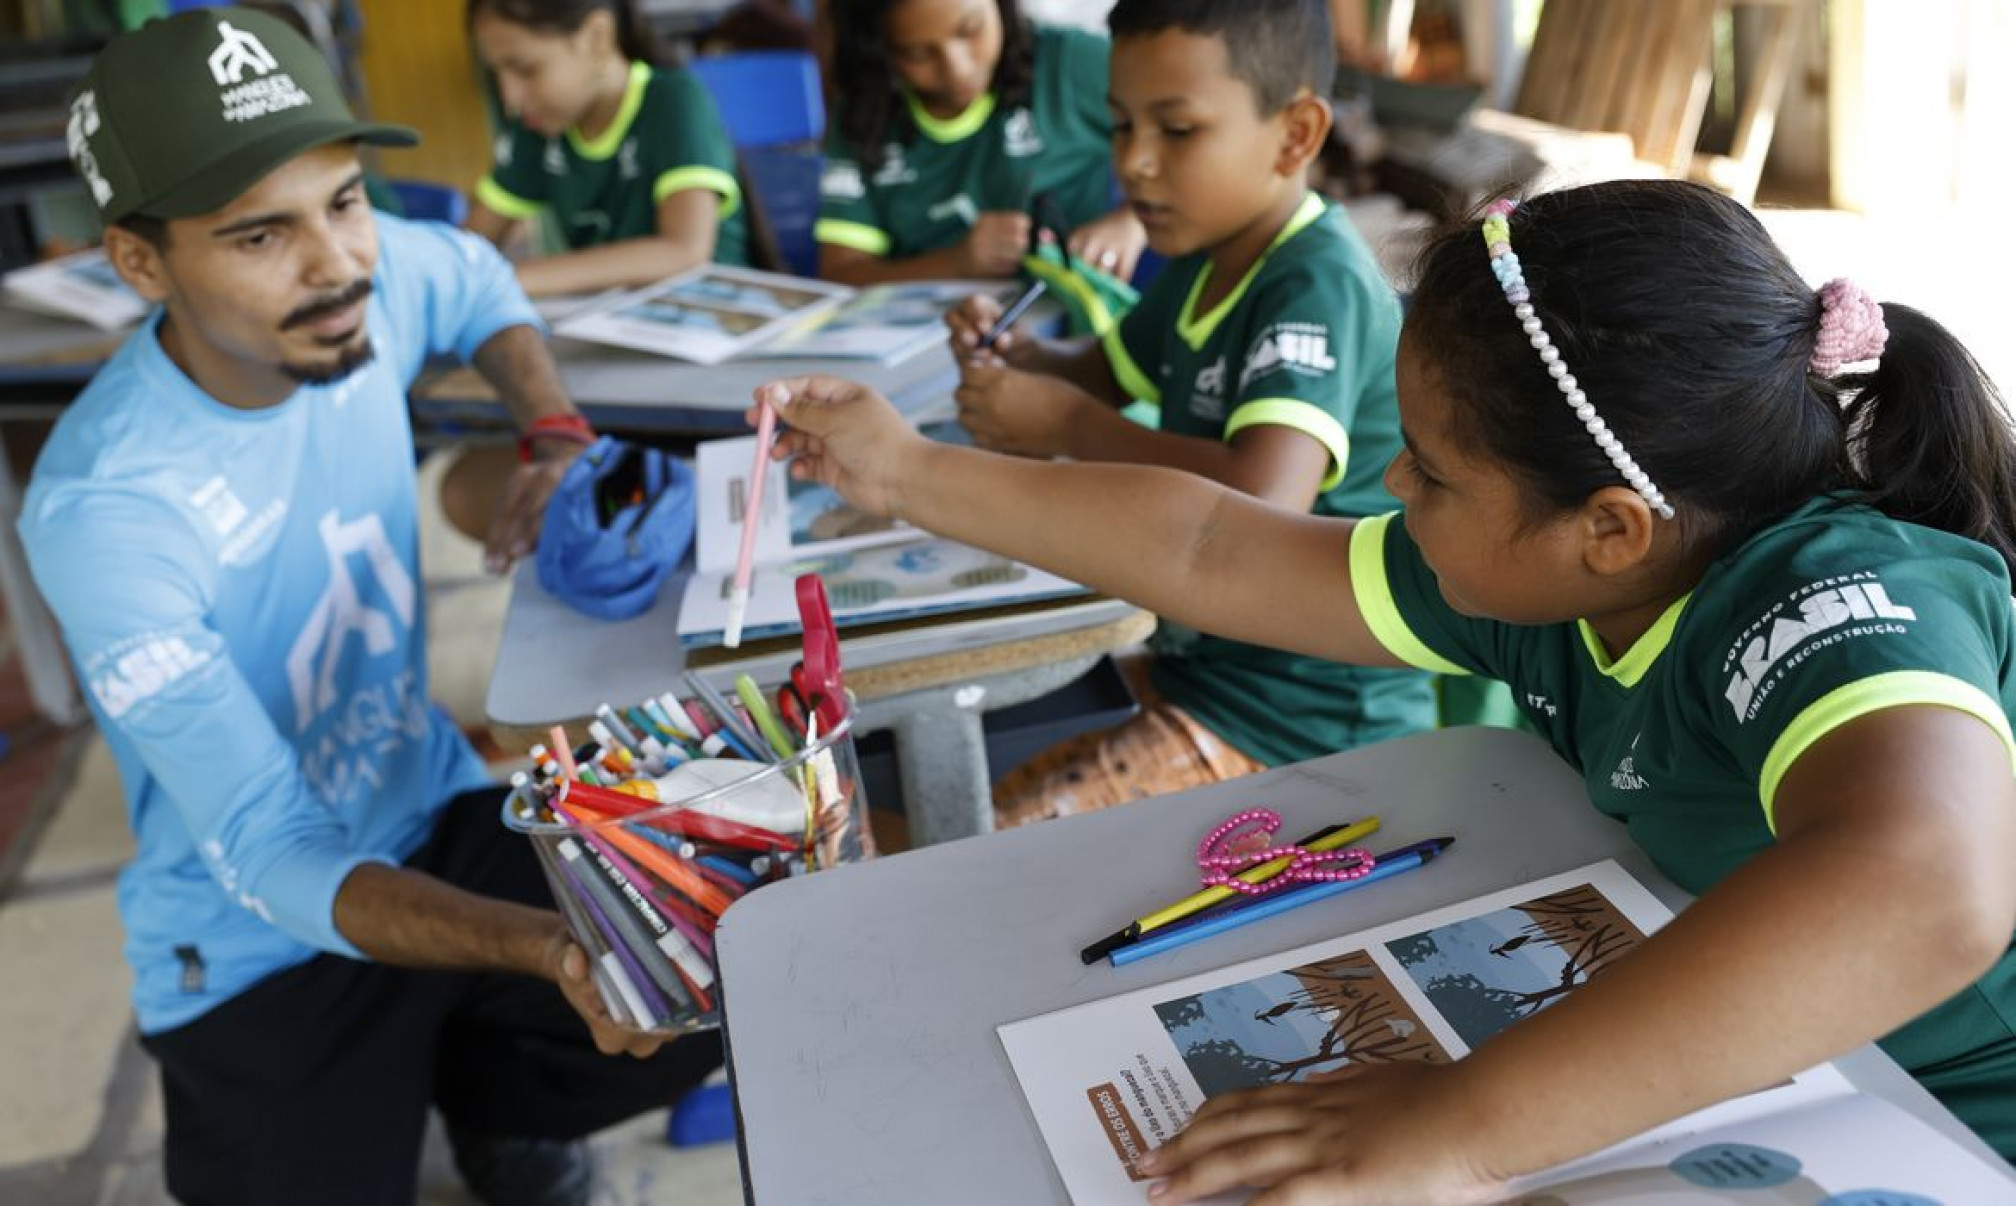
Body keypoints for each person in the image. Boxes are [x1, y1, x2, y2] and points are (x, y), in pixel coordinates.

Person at [747, 175, 2016, 1194]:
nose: (1392, 491)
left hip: (1951, 1115)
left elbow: (1927, 887)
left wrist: (1460, 1128)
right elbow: (1212, 546)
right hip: (1777, 1059)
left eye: (1431, 471)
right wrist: (907, 472)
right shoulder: (1564, 581)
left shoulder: (1837, 592)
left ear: (1612, 524)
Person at [23, 11, 716, 1205]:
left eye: (345, 201)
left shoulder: (360, 287)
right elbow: (276, 849)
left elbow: (480, 281)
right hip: (256, 943)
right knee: (595, 959)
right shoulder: (107, 510)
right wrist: (551, 949)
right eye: (260, 233)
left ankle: (500, 1108)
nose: (340, 263)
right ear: (140, 262)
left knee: (704, 950)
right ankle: (453, 1054)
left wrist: (552, 431)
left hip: (428, 808)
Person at [943, 0, 1434, 826]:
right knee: (964, 789)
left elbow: (1261, 498)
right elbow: (1094, 372)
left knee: (990, 847)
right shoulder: (1204, 258)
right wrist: (1014, 358)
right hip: (1200, 672)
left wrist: (1061, 423)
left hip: (1308, 727)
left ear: (1295, 135)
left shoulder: (1313, 282)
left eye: (1176, 131)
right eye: (1120, 126)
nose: (1133, 164)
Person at [815, 0, 1146, 286]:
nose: (958, 69)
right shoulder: (866, 113)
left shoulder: (1070, 64)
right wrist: (956, 263)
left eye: (971, 30)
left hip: (1070, 327)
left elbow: (1190, 134)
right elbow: (841, 276)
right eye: (917, 53)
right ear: (879, 48)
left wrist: (1132, 221)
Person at [466, 0, 749, 295]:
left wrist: (506, 280)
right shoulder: (538, 125)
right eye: (496, 74)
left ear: (596, 37)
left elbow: (683, 252)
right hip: (611, 322)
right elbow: (471, 244)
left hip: (715, 320)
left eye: (526, 70)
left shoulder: (674, 100)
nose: (510, 98)